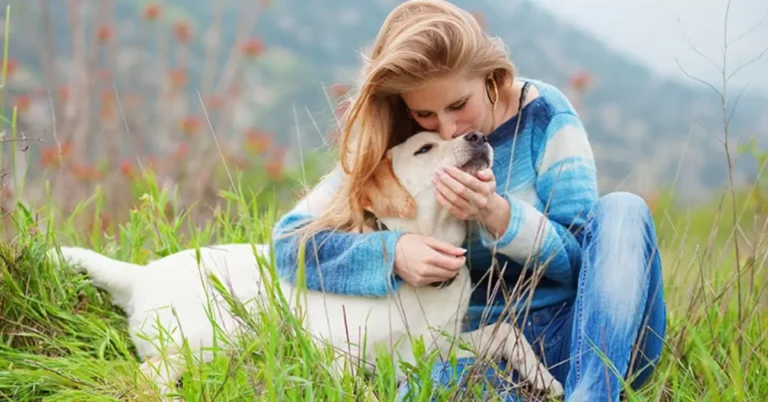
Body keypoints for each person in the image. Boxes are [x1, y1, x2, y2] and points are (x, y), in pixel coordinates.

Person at [271, 0, 667, 401]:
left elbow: (586, 262)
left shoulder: (544, 117)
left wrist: (501, 217)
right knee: (422, 391)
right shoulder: (396, 139)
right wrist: (391, 253)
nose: (447, 128)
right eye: (425, 113)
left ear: (491, 78)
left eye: (459, 105)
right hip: (479, 349)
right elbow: (288, 242)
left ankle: (594, 395)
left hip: (589, 337)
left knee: (624, 209)